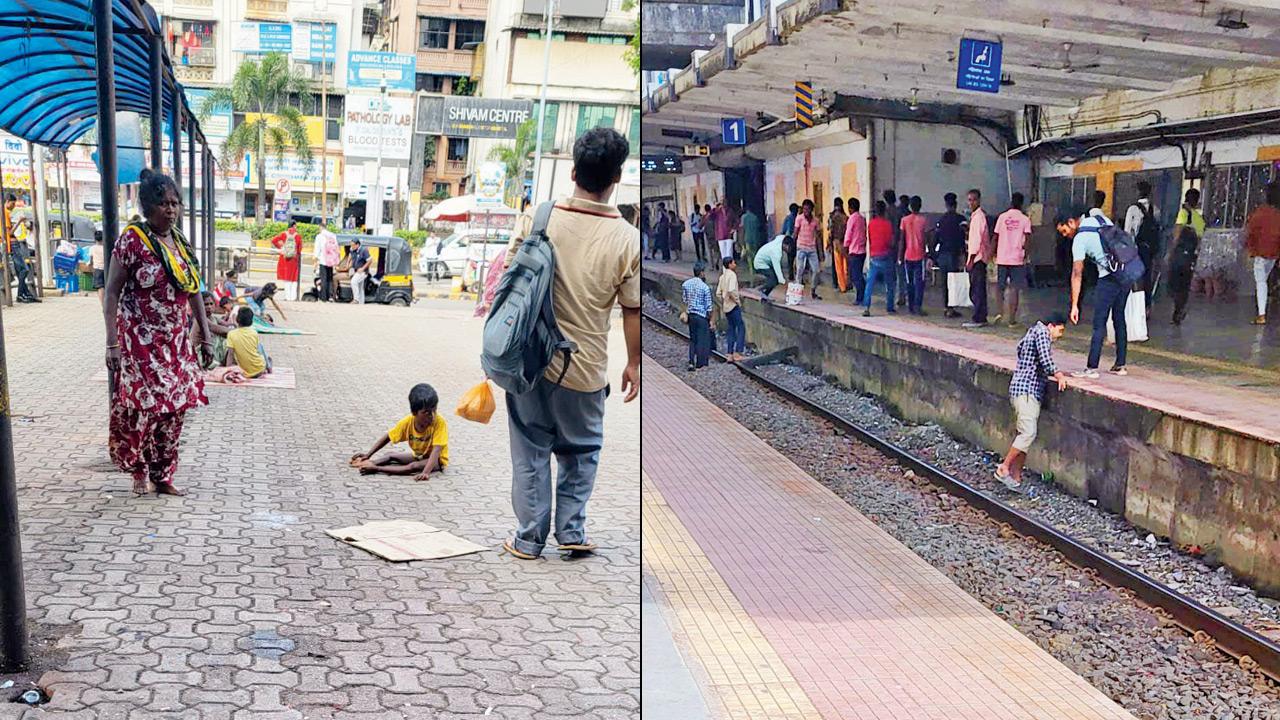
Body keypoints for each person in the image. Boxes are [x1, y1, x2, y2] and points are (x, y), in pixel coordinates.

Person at [500, 127, 641, 561]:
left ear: (573, 170)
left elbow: (506, 282)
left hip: (528, 363)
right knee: (581, 453)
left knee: (530, 449)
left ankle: (528, 538)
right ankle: (572, 531)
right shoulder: (628, 239)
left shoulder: (537, 218)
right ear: (616, 178)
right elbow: (632, 309)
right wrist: (634, 363)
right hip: (584, 368)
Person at [104, 168, 213, 497]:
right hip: (139, 343)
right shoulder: (132, 242)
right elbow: (111, 293)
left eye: (175, 203)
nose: (171, 209)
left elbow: (193, 289)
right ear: (147, 206)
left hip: (175, 344)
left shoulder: (179, 243)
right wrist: (112, 344)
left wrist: (205, 336)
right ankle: (137, 468)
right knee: (142, 409)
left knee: (174, 410)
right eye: (164, 203)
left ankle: (162, 475)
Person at [995, 312, 1068, 492]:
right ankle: (1004, 467)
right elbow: (1045, 359)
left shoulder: (1031, 332)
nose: (1060, 336)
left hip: (1025, 390)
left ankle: (1017, 476)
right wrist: (1058, 374)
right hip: (1027, 390)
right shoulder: (1042, 333)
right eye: (1060, 330)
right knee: (1028, 433)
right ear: (1051, 325)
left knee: (1025, 434)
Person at [1058, 204, 1130, 378]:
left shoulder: (1079, 239)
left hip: (1108, 278)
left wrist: (1074, 305)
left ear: (1071, 222)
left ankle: (1092, 368)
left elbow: (1077, 273)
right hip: (1126, 272)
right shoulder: (1100, 219)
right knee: (1119, 318)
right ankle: (1120, 365)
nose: (1064, 235)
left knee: (1099, 323)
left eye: (1064, 231)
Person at [351, 383, 448, 482]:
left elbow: (437, 450)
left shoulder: (439, 423)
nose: (432, 415)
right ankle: (369, 463)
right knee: (390, 456)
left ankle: (376, 469)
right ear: (414, 413)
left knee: (412, 466)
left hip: (437, 460)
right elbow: (388, 436)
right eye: (426, 412)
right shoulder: (407, 422)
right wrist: (368, 455)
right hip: (420, 456)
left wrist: (426, 472)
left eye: (434, 410)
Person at [994, 192, 1033, 327]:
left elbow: (995, 237)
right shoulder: (1025, 219)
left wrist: (993, 254)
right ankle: (1011, 319)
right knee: (1015, 289)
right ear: (1022, 204)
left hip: (1002, 257)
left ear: (1011, 202)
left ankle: (999, 312)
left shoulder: (1002, 217)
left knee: (1000, 287)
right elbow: (1027, 240)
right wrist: (1025, 255)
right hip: (1017, 258)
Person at [1245, 182, 1280, 326]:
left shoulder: (1259, 213)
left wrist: (1250, 252)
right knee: (1264, 280)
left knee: (1260, 282)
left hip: (1260, 254)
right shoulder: (1278, 214)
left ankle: (1261, 315)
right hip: (1274, 254)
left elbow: (1250, 233)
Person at [1168, 188, 1204, 325]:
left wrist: (1170, 251)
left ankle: (1177, 309)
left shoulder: (1184, 213)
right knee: (1184, 285)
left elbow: (1177, 233)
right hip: (1190, 257)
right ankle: (1179, 310)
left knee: (1173, 283)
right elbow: (1199, 243)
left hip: (1179, 255)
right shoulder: (1199, 219)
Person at [1125, 181, 1160, 311]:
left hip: (1136, 249)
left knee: (1134, 277)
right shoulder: (1155, 209)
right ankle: (1147, 306)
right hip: (1149, 249)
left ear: (1138, 192)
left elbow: (1127, 232)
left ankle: (1134, 306)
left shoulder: (1133, 209)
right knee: (1147, 277)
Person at [962, 189, 993, 329]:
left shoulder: (979, 217)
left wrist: (971, 259)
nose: (971, 203)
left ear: (979, 200)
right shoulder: (975, 217)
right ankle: (980, 315)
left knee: (977, 289)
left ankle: (979, 317)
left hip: (978, 258)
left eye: (973, 200)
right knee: (977, 288)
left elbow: (977, 240)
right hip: (977, 257)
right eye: (969, 200)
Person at [933, 193, 967, 318]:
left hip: (942, 254)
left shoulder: (941, 220)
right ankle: (951, 308)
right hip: (954, 255)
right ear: (956, 204)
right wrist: (964, 255)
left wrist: (933, 256)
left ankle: (946, 307)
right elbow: (962, 238)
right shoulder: (960, 220)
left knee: (945, 283)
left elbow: (935, 239)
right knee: (953, 282)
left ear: (946, 205)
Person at [862, 200, 896, 316]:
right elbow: (890, 242)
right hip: (886, 256)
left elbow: (870, 239)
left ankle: (866, 307)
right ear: (885, 211)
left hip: (874, 257)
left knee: (869, 284)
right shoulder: (888, 224)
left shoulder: (871, 224)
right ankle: (890, 307)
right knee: (890, 284)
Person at [224, 306, 272, 378]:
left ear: (237, 319)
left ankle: (266, 365)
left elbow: (230, 355)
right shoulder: (254, 333)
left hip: (243, 372)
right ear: (251, 321)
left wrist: (227, 370)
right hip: (259, 369)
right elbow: (258, 350)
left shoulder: (231, 334)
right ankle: (269, 367)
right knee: (261, 349)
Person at [683, 261, 714, 370]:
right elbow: (709, 306)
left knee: (693, 339)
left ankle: (691, 361)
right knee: (702, 339)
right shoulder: (705, 287)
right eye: (704, 272)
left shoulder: (686, 284)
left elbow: (685, 300)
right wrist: (710, 319)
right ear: (701, 273)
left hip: (691, 315)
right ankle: (700, 362)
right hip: (701, 316)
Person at [900, 195, 928, 315]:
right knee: (919, 283)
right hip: (920, 256)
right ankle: (918, 306)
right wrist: (929, 254)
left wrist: (900, 256)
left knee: (909, 282)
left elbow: (902, 240)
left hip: (907, 255)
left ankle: (911, 306)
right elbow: (927, 238)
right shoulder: (923, 220)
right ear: (920, 206)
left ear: (910, 207)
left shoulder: (904, 220)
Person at [794, 199, 822, 300]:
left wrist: (820, 252)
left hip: (812, 248)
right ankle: (797, 292)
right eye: (804, 209)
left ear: (811, 210)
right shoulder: (799, 219)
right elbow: (795, 233)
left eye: (808, 209)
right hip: (801, 247)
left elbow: (819, 236)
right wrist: (793, 248)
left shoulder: (816, 221)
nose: (806, 211)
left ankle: (813, 290)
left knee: (816, 270)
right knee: (799, 270)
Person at [717, 257, 745, 362]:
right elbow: (732, 290)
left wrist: (724, 301)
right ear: (729, 264)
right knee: (741, 327)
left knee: (731, 329)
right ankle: (738, 352)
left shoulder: (722, 277)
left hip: (726, 307)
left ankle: (729, 353)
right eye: (733, 262)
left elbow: (718, 293)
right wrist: (737, 301)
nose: (735, 264)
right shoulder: (732, 275)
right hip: (733, 306)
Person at [843, 197, 867, 304]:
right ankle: (863, 294)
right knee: (859, 274)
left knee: (855, 275)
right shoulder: (862, 218)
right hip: (862, 250)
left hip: (854, 250)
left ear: (850, 208)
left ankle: (860, 297)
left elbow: (848, 234)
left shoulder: (852, 219)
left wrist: (845, 246)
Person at [754, 234, 791, 303]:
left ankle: (764, 296)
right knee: (773, 280)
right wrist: (782, 280)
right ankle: (762, 289)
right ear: (785, 245)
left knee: (774, 280)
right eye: (789, 247)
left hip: (766, 263)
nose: (789, 250)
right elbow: (777, 267)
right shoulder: (776, 252)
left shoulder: (779, 243)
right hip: (760, 264)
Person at [271, 220, 302, 301]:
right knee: (294, 278)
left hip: (285, 258)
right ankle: (293, 297)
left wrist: (281, 248)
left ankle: (288, 297)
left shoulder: (284, 234)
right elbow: (299, 249)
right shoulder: (298, 236)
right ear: (294, 226)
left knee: (287, 278)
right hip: (294, 259)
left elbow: (273, 240)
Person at [314, 225, 340, 302]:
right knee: (330, 278)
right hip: (331, 261)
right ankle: (331, 296)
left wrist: (315, 259)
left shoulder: (319, 236)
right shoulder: (333, 235)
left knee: (323, 279)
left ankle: (323, 297)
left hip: (323, 260)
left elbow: (317, 249)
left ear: (320, 228)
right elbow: (336, 248)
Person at [828, 198, 849, 293]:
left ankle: (842, 286)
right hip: (845, 242)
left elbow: (830, 230)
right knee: (845, 264)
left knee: (838, 265)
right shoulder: (845, 217)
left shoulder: (832, 216)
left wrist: (829, 242)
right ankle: (846, 283)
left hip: (836, 242)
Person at [710, 199, 738, 266]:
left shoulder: (730, 211)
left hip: (728, 235)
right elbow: (711, 216)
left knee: (729, 253)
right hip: (720, 235)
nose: (723, 204)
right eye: (722, 203)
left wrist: (733, 229)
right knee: (723, 255)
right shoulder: (717, 212)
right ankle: (725, 269)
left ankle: (730, 268)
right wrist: (715, 208)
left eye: (724, 203)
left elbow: (736, 221)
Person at [896, 194, 911, 304]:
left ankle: (900, 297)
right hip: (908, 247)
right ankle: (906, 296)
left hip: (897, 246)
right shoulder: (909, 214)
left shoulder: (896, 213)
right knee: (907, 275)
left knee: (899, 274)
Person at [348, 236, 372, 304]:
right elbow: (351, 255)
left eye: (353, 245)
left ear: (358, 245)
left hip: (363, 272)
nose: (352, 246)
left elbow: (370, 261)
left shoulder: (364, 250)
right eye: (351, 245)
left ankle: (356, 299)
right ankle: (361, 303)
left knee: (353, 282)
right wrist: (348, 263)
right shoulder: (352, 249)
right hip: (356, 271)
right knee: (360, 287)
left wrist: (362, 268)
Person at [90, 231, 106, 305]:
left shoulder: (92, 248)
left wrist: (90, 265)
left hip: (97, 269)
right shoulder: (105, 248)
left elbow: (90, 259)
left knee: (100, 288)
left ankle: (103, 304)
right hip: (106, 269)